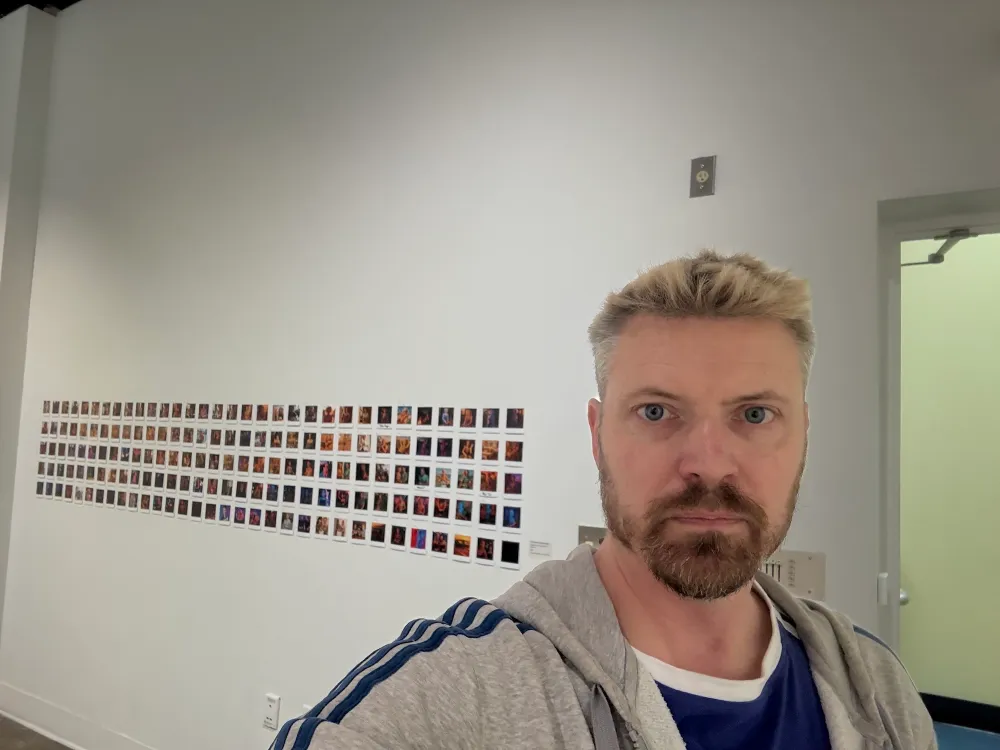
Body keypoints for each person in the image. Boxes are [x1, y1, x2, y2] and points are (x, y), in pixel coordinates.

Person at [272, 251, 935, 750]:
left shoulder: (875, 686)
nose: (708, 463)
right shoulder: (463, 693)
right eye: (657, 412)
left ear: (804, 433)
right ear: (596, 434)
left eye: (755, 415)